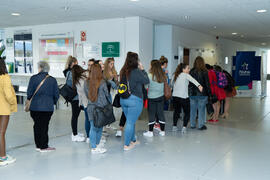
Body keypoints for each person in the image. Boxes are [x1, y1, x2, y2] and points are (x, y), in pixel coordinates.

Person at [119, 52, 149, 151]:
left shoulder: (123, 70)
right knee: (130, 123)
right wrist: (143, 69)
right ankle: (127, 145)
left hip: (123, 100)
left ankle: (133, 140)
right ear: (136, 61)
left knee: (130, 121)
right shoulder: (136, 71)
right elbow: (146, 81)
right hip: (135, 101)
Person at [27, 61, 59, 152]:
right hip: (47, 108)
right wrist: (52, 102)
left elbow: (29, 93)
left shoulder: (33, 78)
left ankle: (38, 145)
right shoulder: (52, 80)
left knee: (37, 125)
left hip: (35, 107)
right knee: (44, 126)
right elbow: (56, 94)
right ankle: (44, 146)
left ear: (40, 68)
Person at [84, 64, 110, 154]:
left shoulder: (86, 82)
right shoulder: (102, 82)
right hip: (101, 108)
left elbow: (87, 95)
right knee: (99, 127)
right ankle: (96, 147)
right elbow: (106, 95)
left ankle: (94, 146)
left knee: (93, 127)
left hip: (91, 107)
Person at [172, 63, 203, 133]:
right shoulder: (186, 75)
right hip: (183, 97)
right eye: (188, 68)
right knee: (187, 112)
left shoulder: (175, 75)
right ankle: (184, 127)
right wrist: (199, 86)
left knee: (176, 112)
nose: (189, 70)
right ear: (183, 69)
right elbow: (193, 80)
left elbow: (171, 84)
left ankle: (174, 127)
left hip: (175, 97)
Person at [0, 58, 17, 166]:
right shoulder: (5, 77)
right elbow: (9, 95)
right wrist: (12, 103)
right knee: (1, 133)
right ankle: (3, 157)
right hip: (3, 108)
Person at [64, 56, 85, 142]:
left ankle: (75, 133)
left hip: (75, 97)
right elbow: (74, 85)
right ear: (73, 63)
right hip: (76, 98)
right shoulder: (71, 73)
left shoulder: (68, 72)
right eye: (76, 63)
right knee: (75, 116)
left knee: (76, 115)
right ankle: (74, 134)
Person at [143, 60, 166, 137]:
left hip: (151, 98)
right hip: (161, 97)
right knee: (160, 114)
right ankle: (162, 131)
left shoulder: (149, 76)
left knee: (152, 114)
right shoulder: (163, 75)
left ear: (152, 66)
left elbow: (146, 86)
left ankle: (150, 132)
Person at [189, 56, 211, 130]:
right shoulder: (205, 71)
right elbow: (207, 84)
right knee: (201, 110)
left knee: (193, 110)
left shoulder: (191, 71)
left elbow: (189, 83)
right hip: (202, 94)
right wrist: (209, 94)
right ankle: (201, 125)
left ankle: (192, 124)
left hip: (193, 94)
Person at [72, 65, 90, 143]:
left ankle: (88, 137)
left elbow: (80, 94)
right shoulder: (87, 74)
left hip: (84, 103)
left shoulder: (77, 80)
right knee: (91, 120)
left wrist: (80, 103)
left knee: (87, 120)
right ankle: (91, 137)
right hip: (90, 101)